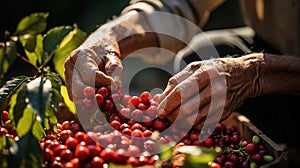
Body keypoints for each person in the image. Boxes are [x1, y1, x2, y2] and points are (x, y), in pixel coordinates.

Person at [64, 0, 300, 166]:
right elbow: (174, 2)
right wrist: (108, 38)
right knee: (199, 64)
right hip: (273, 45)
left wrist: (256, 73)